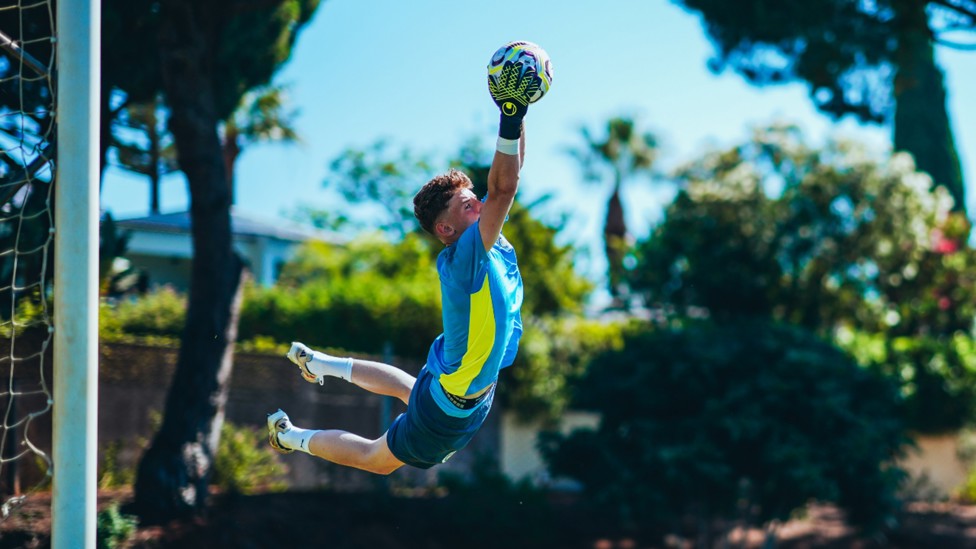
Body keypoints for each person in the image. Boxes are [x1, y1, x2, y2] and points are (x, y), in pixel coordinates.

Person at [265, 58, 539, 474]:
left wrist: (520, 105)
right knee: (376, 457)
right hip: (452, 410)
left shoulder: (487, 240)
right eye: (469, 204)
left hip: (459, 393)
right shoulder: (468, 253)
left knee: (404, 393)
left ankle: (316, 364)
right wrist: (511, 112)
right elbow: (504, 187)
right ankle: (289, 436)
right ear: (446, 228)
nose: (480, 204)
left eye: (476, 200)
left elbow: (509, 179)